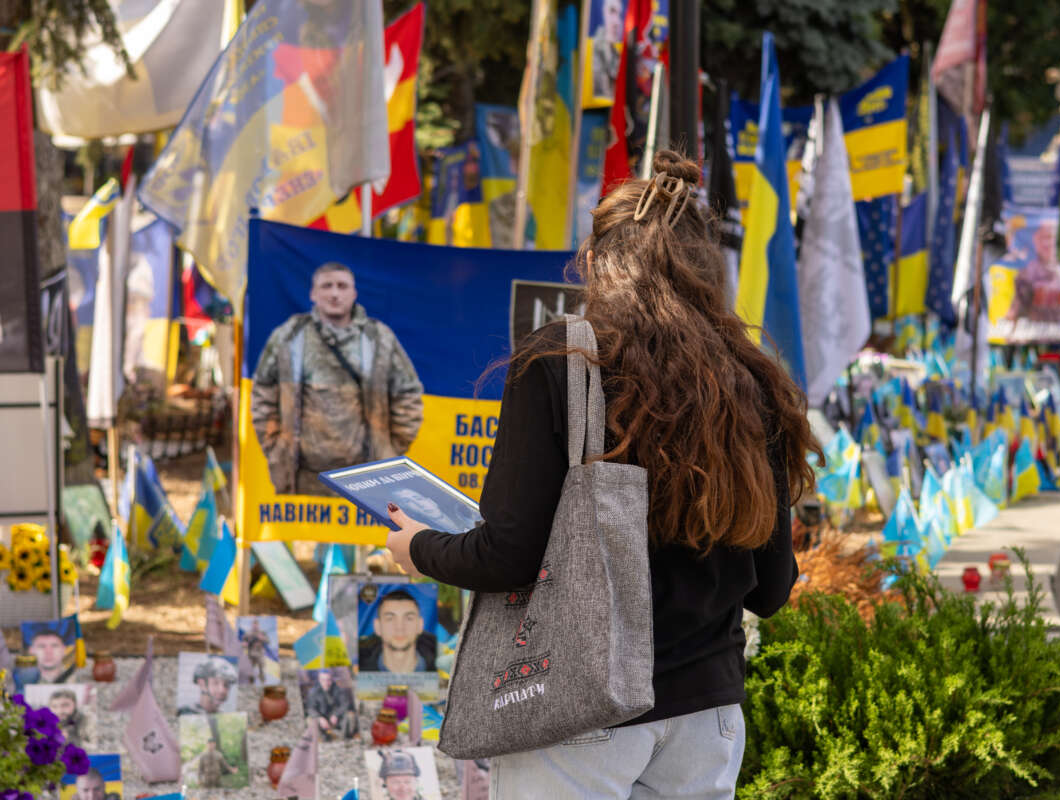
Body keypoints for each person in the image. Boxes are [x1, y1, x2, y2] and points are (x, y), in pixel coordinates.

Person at [385, 150, 814, 799]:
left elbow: (506, 556)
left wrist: (417, 546)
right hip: (709, 718)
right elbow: (771, 590)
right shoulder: (750, 380)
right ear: (706, 269)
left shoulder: (561, 363)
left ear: (598, 261)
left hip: (580, 709)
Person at [250, 262, 424, 496]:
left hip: (365, 480)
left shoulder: (379, 338)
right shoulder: (289, 336)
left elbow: (409, 394)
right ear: (313, 293)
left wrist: (388, 450)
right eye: (327, 286)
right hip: (302, 480)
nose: (334, 294)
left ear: (354, 294)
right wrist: (277, 448)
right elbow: (262, 391)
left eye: (342, 286)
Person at [358, 589, 437, 673]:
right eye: (390, 619)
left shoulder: (442, 668)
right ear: (377, 627)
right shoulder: (356, 671)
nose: (400, 628)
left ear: (420, 625)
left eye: (409, 618)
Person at [304, 668, 358, 740]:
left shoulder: (339, 689)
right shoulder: (313, 692)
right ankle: (320, 741)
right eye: (323, 680)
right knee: (309, 720)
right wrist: (320, 718)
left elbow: (345, 704)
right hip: (322, 718)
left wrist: (336, 714)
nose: (326, 683)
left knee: (350, 716)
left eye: (328, 680)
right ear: (319, 680)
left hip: (337, 718)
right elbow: (310, 708)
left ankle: (344, 739)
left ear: (332, 680)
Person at [393, 486, 476, 532]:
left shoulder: (464, 512)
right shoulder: (425, 531)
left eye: (418, 498)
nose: (419, 504)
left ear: (431, 501)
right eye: (408, 501)